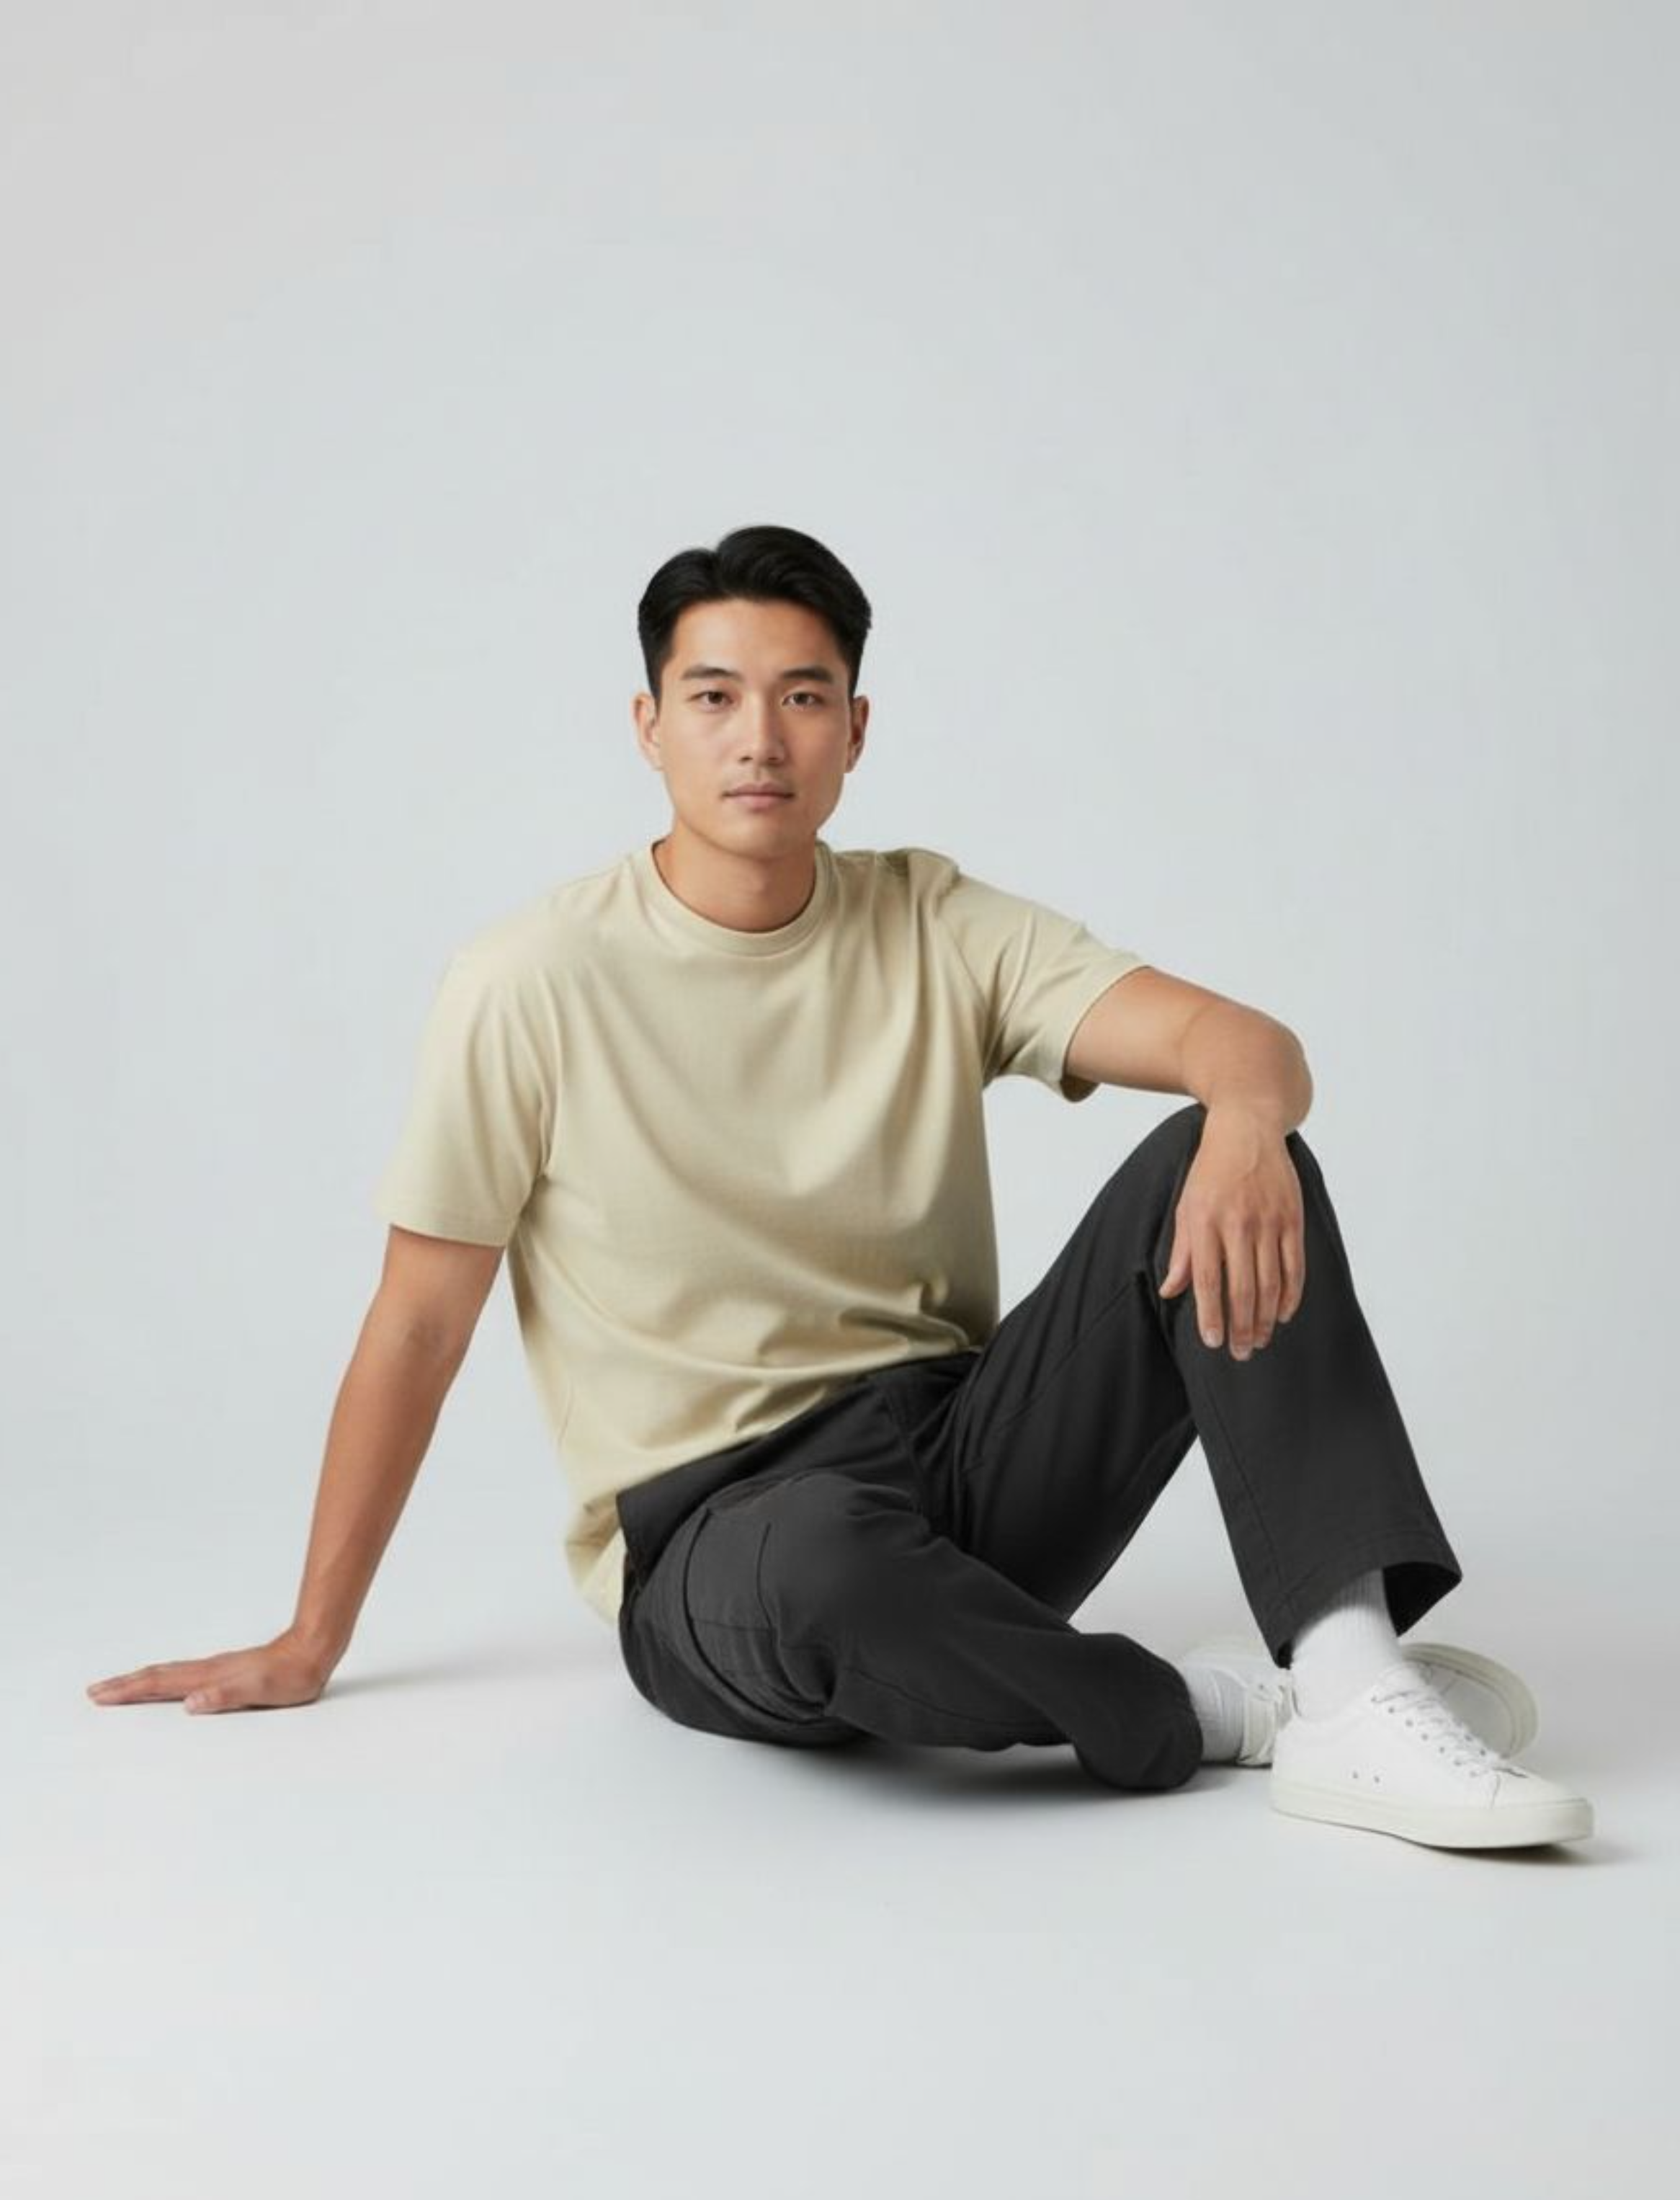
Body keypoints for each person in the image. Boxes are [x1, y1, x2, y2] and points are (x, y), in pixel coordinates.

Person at [86, 523, 1592, 1853]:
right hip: (716, 1541)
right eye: (715, 697)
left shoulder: (927, 919)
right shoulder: (526, 982)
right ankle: (1210, 1713)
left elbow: (1238, 1044)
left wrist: (1248, 1122)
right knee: (818, 1560)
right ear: (648, 726)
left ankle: (1348, 1681)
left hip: (958, 1463)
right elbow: (419, 1321)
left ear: (855, 730)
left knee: (1219, 1163)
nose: (760, 738)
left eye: (802, 697)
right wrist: (312, 1634)